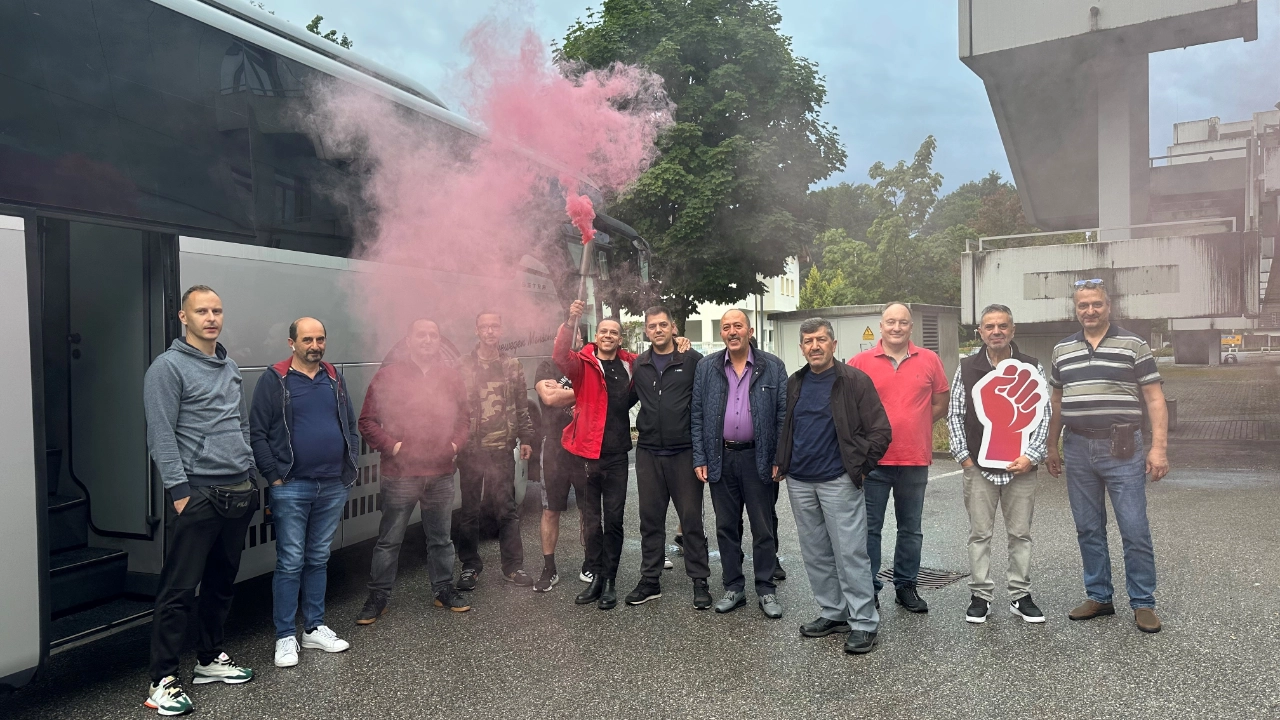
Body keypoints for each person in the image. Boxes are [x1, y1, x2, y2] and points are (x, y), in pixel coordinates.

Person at [142, 285, 256, 716]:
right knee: (178, 590)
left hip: (238, 489)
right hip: (199, 494)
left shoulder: (228, 366)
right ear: (182, 317)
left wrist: (247, 471)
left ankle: (209, 660)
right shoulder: (167, 369)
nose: (211, 317)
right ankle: (162, 680)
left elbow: (239, 423)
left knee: (221, 585)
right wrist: (179, 492)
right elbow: (161, 434)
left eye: (217, 310)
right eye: (202, 311)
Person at [1046, 281, 1169, 633]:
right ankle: (1099, 596)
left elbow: (1155, 399)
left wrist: (1158, 448)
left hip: (1123, 449)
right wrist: (1052, 445)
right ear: (1076, 308)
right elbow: (1057, 402)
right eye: (1083, 305)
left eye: (1096, 304)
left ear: (1108, 306)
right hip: (1077, 448)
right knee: (1088, 528)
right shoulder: (1062, 350)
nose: (1089, 311)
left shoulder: (1134, 344)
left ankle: (1143, 602)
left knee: (1134, 528)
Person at [777, 318, 892, 655]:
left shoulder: (854, 381)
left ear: (833, 344)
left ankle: (864, 622)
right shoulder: (794, 383)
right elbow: (786, 426)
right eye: (809, 341)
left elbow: (880, 432)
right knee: (816, 553)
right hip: (799, 480)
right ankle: (834, 612)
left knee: (850, 553)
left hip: (838, 481)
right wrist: (783, 461)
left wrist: (858, 467)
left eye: (821, 339)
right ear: (801, 348)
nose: (815, 346)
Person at [250, 317, 360, 668]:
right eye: (308, 339)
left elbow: (351, 425)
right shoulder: (275, 379)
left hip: (331, 485)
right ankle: (285, 636)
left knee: (318, 558)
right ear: (291, 342)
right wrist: (274, 477)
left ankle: (313, 627)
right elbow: (258, 433)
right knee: (290, 561)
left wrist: (350, 465)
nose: (315, 345)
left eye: (321, 339)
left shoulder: (333, 377)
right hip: (291, 485)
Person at [356, 319, 471, 624]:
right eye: (421, 335)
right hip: (400, 474)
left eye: (433, 335)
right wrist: (392, 447)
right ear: (408, 341)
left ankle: (443, 589)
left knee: (441, 538)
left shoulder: (450, 377)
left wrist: (455, 446)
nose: (428, 340)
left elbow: (465, 419)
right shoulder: (388, 376)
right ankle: (379, 596)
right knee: (389, 540)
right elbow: (366, 421)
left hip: (441, 472)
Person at [946, 304, 1050, 625]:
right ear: (980, 332)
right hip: (978, 467)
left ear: (1012, 330)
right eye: (989, 326)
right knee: (980, 534)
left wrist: (1032, 456)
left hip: (1021, 467)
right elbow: (955, 415)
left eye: (1002, 326)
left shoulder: (1032, 368)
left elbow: (1044, 416)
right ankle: (981, 595)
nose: (996, 332)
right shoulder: (966, 368)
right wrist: (964, 458)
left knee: (1020, 534)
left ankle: (1020, 595)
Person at [849, 302, 949, 614]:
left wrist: (916, 425)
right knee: (870, 530)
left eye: (902, 322)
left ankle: (906, 586)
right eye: (890, 322)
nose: (896, 327)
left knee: (911, 529)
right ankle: (870, 589)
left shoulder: (929, 360)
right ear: (880, 326)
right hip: (874, 463)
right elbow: (848, 409)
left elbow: (940, 403)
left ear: (910, 327)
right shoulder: (860, 362)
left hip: (914, 459)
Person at [691, 309, 789, 619]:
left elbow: (783, 417)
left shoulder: (772, 367)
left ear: (749, 330)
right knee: (726, 527)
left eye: (738, 326)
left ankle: (765, 589)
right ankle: (733, 587)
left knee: (762, 528)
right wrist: (700, 457)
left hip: (757, 457)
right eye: (726, 327)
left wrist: (778, 458)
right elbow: (697, 415)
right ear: (722, 334)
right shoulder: (707, 368)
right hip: (720, 457)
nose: (732, 331)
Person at [625, 306, 711, 609]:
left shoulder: (692, 360)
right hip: (648, 452)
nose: (658, 330)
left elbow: (705, 402)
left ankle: (700, 581)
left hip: (683, 452)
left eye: (663, 325)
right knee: (650, 520)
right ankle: (650, 581)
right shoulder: (640, 363)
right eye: (652, 326)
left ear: (673, 328)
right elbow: (624, 399)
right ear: (647, 331)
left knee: (691, 521)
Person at [554, 300, 638, 610]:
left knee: (614, 521)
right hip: (586, 455)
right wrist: (569, 320)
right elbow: (559, 355)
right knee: (591, 522)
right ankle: (596, 578)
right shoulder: (582, 363)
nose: (608, 335)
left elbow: (659, 360)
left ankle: (611, 580)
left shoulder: (632, 365)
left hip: (616, 456)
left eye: (614, 332)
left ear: (620, 338)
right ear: (596, 335)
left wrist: (681, 342)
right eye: (603, 331)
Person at [454, 311, 536, 589]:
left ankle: (513, 567)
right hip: (470, 450)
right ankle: (470, 565)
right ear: (477, 331)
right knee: (469, 511)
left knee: (507, 508)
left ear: (500, 331)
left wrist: (526, 438)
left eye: (495, 326)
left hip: (502, 448)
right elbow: (453, 406)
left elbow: (522, 405)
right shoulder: (462, 364)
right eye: (485, 327)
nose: (490, 331)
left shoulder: (512, 365)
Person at [532, 348, 590, 592]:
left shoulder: (586, 365)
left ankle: (590, 563)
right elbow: (549, 399)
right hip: (555, 446)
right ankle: (549, 568)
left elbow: (561, 396)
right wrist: (586, 393)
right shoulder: (546, 365)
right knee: (550, 510)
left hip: (584, 444)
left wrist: (563, 391)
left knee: (588, 510)